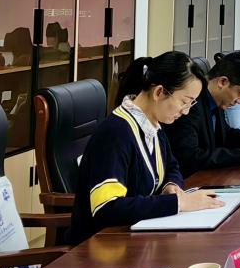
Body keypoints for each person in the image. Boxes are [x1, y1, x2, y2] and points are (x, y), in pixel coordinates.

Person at [69, 52, 223, 243]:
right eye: (184, 102)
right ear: (159, 92)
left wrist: (171, 186)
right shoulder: (116, 133)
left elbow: (171, 166)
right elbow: (107, 208)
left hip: (139, 237)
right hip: (103, 246)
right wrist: (177, 202)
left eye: (191, 103)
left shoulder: (153, 125)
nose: (186, 111)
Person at [164, 49, 240, 177]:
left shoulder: (216, 101)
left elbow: (226, 135)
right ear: (223, 82)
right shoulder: (191, 104)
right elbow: (191, 157)